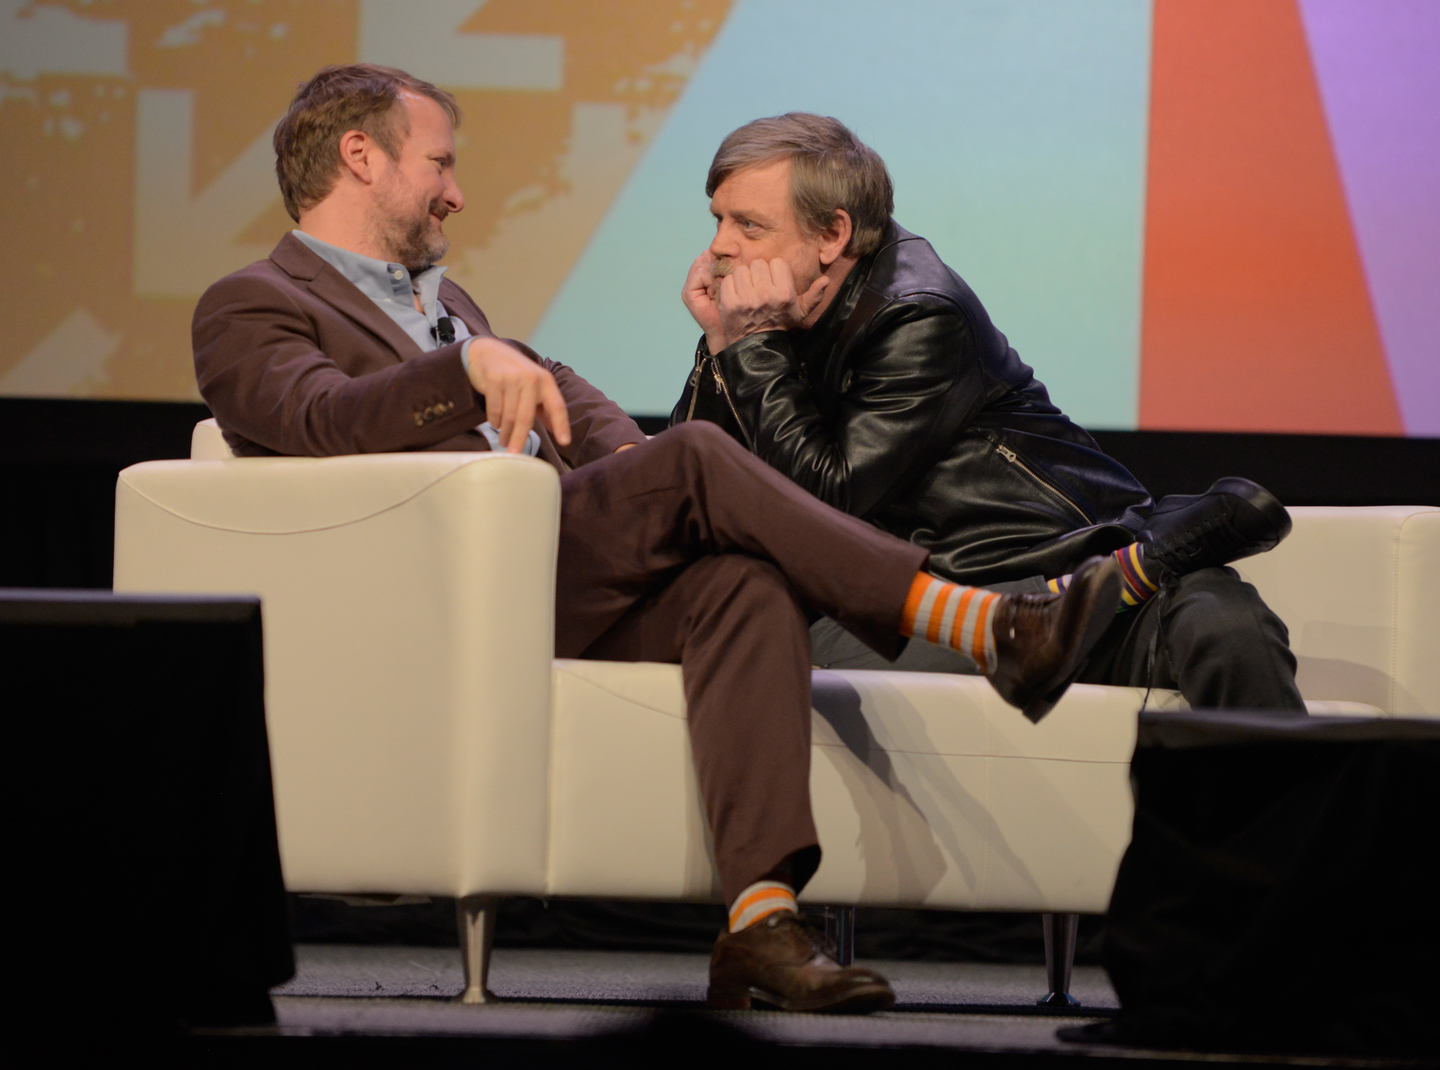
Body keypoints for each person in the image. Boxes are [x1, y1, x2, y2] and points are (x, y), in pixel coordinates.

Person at [193, 64, 1124, 1015]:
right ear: (361, 157)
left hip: (541, 576)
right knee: (696, 461)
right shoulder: (253, 303)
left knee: (740, 586)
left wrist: (636, 451)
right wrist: (463, 368)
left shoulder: (447, 301)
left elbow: (556, 391)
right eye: (439, 163)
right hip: (445, 593)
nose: (457, 191)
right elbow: (320, 416)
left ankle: (761, 922)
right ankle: (987, 626)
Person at [672, 113, 1304, 712]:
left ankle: (1138, 574)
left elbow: (829, 494)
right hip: (929, 603)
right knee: (797, 660)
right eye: (718, 219)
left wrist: (752, 347)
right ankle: (1142, 563)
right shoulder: (770, 320)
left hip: (1037, 558)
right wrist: (725, 347)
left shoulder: (914, 312)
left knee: (1226, 623)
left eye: (748, 226)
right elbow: (690, 489)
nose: (719, 247)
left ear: (833, 235)